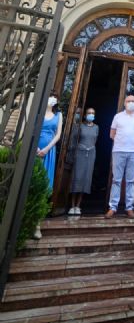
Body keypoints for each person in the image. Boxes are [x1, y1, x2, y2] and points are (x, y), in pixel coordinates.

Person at [105, 95, 134, 219]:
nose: (131, 103)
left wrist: (131, 142)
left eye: (133, 101)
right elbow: (112, 134)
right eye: (128, 101)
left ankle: (129, 208)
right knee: (116, 180)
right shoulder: (118, 116)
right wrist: (122, 142)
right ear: (124, 103)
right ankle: (112, 208)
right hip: (118, 151)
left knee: (131, 181)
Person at [34, 92, 63, 239]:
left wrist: (46, 149)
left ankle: (37, 225)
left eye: (55, 98)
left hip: (48, 152)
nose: (52, 99)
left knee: (44, 186)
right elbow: (32, 129)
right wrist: (36, 147)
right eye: (50, 97)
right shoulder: (38, 112)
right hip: (34, 150)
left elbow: (58, 135)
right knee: (30, 183)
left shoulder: (59, 115)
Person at [68, 107, 99, 215]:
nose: (91, 114)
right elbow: (73, 140)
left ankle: (78, 206)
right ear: (85, 115)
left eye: (93, 113)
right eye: (89, 113)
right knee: (77, 177)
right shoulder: (79, 126)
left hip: (91, 154)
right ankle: (72, 206)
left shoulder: (96, 127)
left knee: (86, 178)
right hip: (80, 153)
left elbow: (95, 140)